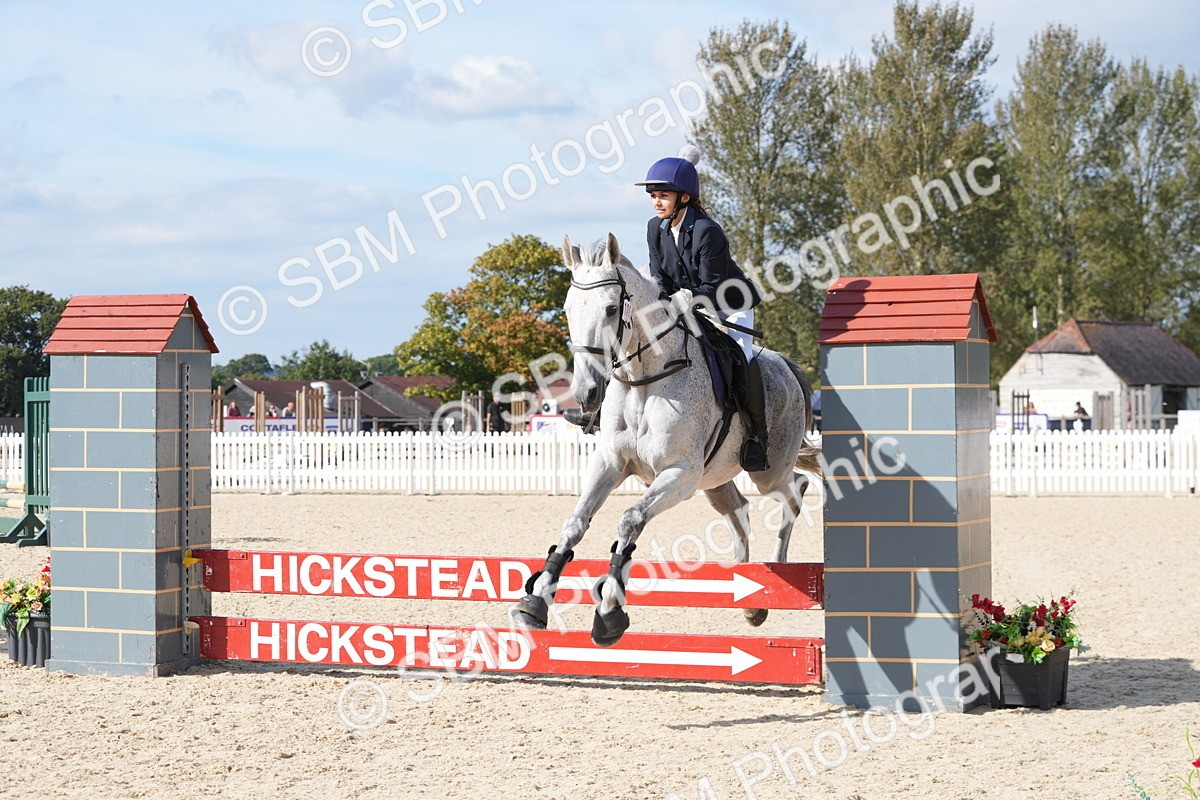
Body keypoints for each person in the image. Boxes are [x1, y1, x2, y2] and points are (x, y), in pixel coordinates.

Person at [564, 145, 770, 472]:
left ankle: (757, 438)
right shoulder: (654, 228)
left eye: (663, 195)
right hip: (681, 303)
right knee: (632, 344)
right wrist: (656, 295)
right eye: (653, 196)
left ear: (683, 198)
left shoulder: (707, 231)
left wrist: (685, 298)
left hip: (727, 305)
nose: (656, 202)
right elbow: (659, 273)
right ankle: (600, 412)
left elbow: (714, 287)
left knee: (739, 359)